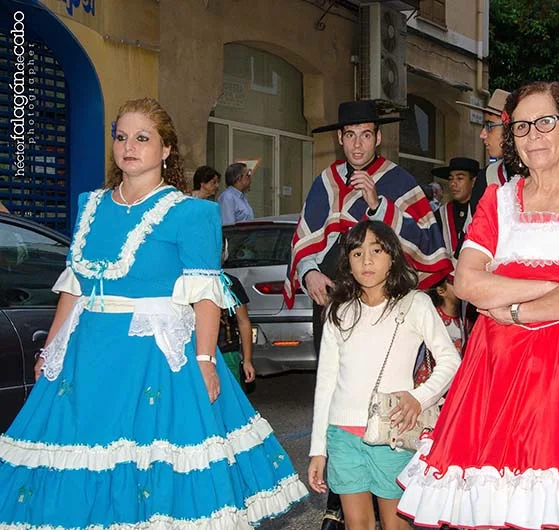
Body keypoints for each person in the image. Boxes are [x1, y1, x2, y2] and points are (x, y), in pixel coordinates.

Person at [0, 98, 308, 528]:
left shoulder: (193, 213)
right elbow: (74, 287)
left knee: (152, 466)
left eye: (142, 138)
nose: (129, 146)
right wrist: (51, 348)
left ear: (165, 150)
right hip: (86, 355)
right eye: (121, 137)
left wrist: (205, 361)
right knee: (80, 458)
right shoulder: (90, 205)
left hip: (155, 357)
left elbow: (204, 294)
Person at [397, 82, 559, 529]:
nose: (533, 134)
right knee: (491, 503)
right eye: (521, 126)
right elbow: (465, 282)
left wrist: (515, 309)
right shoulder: (498, 199)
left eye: (544, 122)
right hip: (493, 369)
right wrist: (558, 284)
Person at [284, 99, 452, 529]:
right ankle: (339, 499)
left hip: (391, 308)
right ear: (340, 140)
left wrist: (379, 206)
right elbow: (306, 236)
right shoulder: (325, 181)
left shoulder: (399, 180)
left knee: (387, 397)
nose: (357, 143)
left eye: (365, 134)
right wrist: (308, 275)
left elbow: (429, 244)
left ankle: (383, 494)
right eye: (349, 135)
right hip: (337, 305)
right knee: (338, 385)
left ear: (377, 137)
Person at [307, 220, 460, 530]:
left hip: (392, 434)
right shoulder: (339, 310)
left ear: (392, 256)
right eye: (357, 252)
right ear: (347, 262)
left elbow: (450, 360)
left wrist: (418, 399)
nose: (367, 260)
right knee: (356, 523)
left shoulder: (414, 303)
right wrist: (317, 449)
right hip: (342, 436)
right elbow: (326, 382)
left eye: (376, 250)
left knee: (396, 525)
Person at [456, 89, 511, 204]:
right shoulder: (487, 177)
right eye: (483, 126)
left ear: (511, 127)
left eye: (489, 126)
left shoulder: (542, 174)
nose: (482, 134)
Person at [219, 239, 256, 388]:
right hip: (197, 354)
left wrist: (247, 360)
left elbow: (244, 322)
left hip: (228, 353)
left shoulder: (230, 283)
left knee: (230, 399)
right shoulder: (189, 284)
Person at [432, 157, 480, 263]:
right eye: (450, 178)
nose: (453, 183)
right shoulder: (440, 215)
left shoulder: (483, 212)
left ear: (473, 181)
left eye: (460, 178)